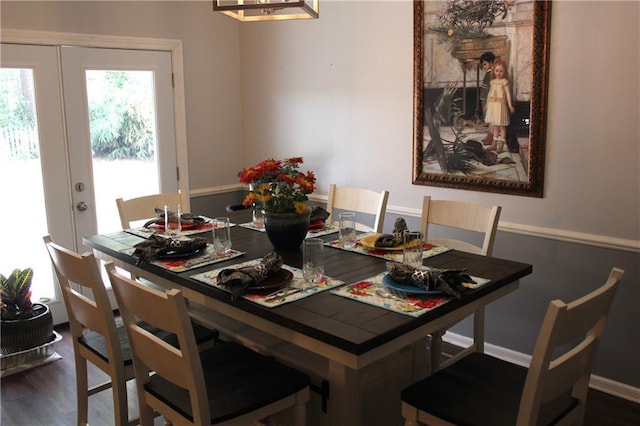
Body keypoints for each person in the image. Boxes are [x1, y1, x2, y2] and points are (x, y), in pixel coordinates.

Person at [484, 58, 515, 153]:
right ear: (494, 71)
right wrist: (487, 104)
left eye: (501, 71)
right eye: (497, 70)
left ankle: (501, 144)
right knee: (495, 126)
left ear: (504, 72)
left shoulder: (504, 82)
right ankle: (494, 143)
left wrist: (510, 105)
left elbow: (508, 94)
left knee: (502, 126)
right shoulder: (493, 82)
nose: (499, 73)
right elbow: (490, 93)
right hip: (493, 106)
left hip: (501, 106)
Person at [479, 51, 496, 145]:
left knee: (491, 118)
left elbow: (492, 89)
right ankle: (489, 135)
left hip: (489, 99)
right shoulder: (488, 74)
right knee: (489, 118)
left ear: (491, 62)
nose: (484, 67)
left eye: (485, 64)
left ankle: (491, 136)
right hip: (485, 98)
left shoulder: (491, 74)